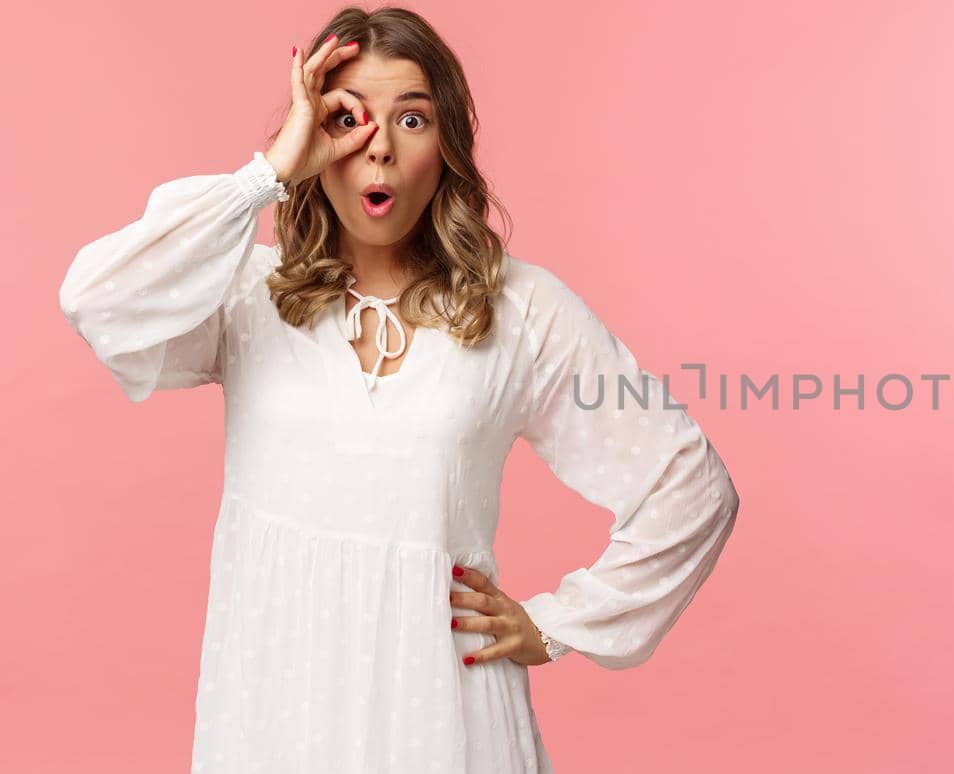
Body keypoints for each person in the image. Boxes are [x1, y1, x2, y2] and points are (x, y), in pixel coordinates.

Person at [55, 7, 739, 773]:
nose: (377, 146)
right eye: (346, 118)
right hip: (278, 709)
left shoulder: (522, 310)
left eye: (412, 119)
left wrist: (555, 625)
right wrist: (269, 172)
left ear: (445, 144)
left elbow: (692, 485)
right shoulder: (250, 296)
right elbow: (98, 301)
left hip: (446, 717)